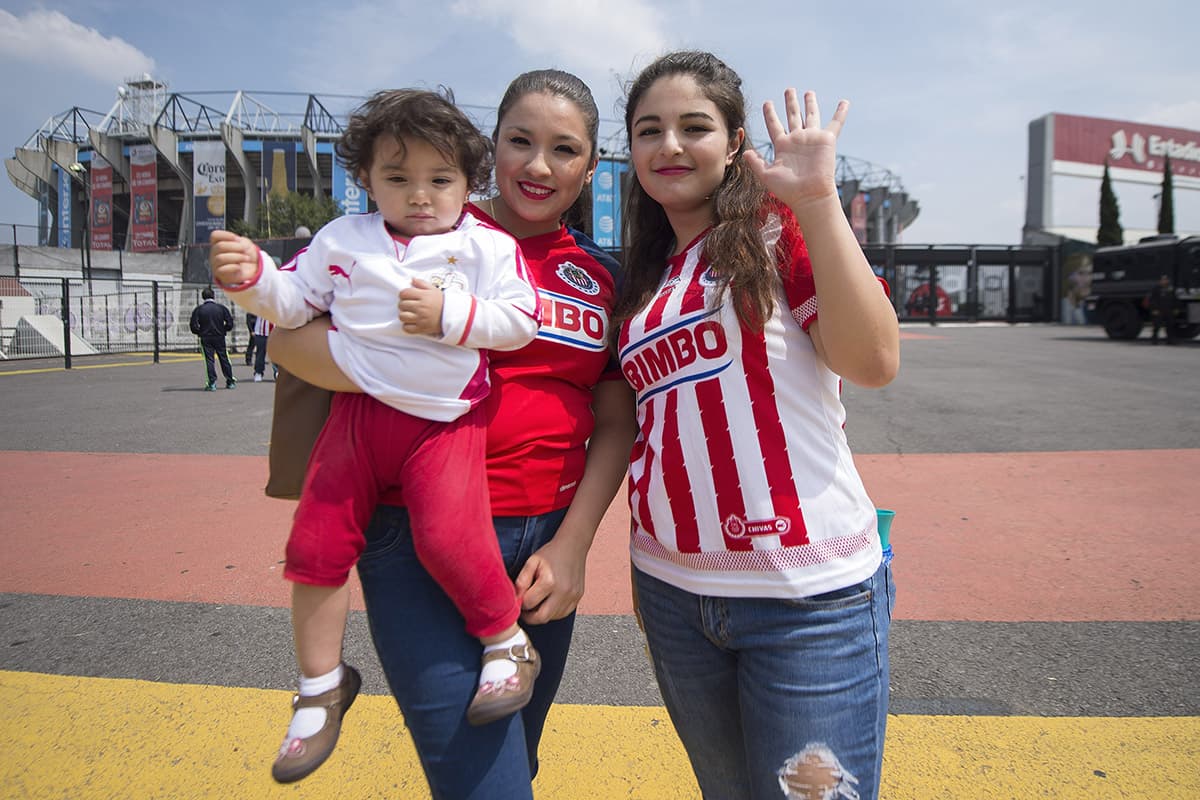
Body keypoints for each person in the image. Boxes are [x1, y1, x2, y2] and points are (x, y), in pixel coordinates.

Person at [267, 69, 635, 799]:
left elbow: (615, 419)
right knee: (482, 780)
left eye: (564, 150)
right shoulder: (422, 226)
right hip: (412, 534)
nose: (538, 165)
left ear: (592, 168)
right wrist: (392, 367)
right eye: (519, 141)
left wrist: (574, 543)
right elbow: (287, 342)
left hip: (542, 549)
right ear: (487, 148)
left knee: (515, 761)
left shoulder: (602, 276)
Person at [208, 88, 544, 784]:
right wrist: (252, 280)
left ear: (469, 182)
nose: (420, 195)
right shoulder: (341, 240)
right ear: (366, 179)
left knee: (450, 539)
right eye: (397, 178)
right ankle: (319, 685)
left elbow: (519, 323)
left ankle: (505, 641)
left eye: (440, 179)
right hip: (357, 421)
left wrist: (452, 314)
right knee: (314, 545)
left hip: (445, 418)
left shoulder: (486, 246)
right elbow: (294, 303)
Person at [613, 51, 900, 800]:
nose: (669, 145)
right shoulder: (641, 279)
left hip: (809, 602)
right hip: (675, 598)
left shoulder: (778, 234)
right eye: (649, 130)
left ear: (736, 141)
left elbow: (872, 360)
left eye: (693, 126)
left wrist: (818, 200)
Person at [188, 286, 236, 391]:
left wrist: (199, 332)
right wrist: (223, 329)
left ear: (203, 297)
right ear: (213, 296)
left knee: (209, 360)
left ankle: (212, 382)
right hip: (219, 336)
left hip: (205, 337)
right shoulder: (221, 308)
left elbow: (193, 325)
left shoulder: (199, 309)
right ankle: (230, 380)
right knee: (224, 358)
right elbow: (230, 323)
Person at [1147, 274, 1177, 345]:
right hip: (1159, 310)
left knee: (1170, 326)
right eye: (1163, 280)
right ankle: (1154, 340)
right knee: (1156, 326)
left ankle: (1170, 340)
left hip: (1169, 310)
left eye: (1166, 280)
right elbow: (1152, 300)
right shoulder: (1156, 289)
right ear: (1160, 281)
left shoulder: (1170, 289)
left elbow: (1175, 299)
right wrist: (1154, 309)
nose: (1164, 281)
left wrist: (1176, 308)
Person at [250, 313, 276, 381]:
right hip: (261, 332)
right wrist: (251, 329)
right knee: (260, 354)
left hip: (276, 332)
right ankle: (258, 372)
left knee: (277, 355)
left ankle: (277, 371)